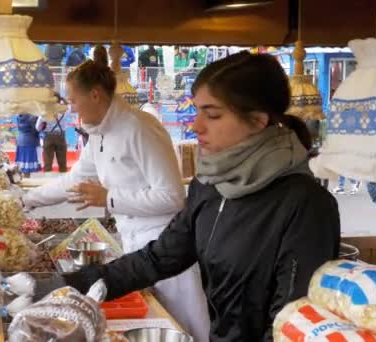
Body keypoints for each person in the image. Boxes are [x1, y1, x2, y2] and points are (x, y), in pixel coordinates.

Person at [60, 52, 341, 342]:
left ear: (258, 120)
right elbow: (160, 257)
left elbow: (293, 323)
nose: (196, 126)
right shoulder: (210, 185)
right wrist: (72, 286)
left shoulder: (306, 205)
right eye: (197, 111)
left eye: (213, 114)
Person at [23, 60, 211, 341]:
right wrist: (26, 200)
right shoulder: (98, 133)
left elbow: (172, 198)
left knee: (183, 331)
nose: (70, 108)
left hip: (168, 251)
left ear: (95, 95)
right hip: (135, 248)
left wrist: (109, 199)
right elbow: (72, 182)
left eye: (74, 100)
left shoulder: (139, 127)